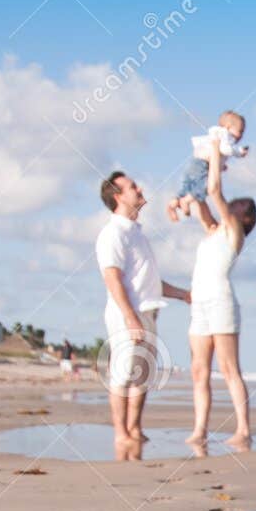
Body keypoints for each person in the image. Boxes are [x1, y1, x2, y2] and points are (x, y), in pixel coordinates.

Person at [95, 170, 190, 460]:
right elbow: (112, 277)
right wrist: (129, 316)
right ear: (118, 196)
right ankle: (121, 433)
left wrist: (184, 295)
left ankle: (135, 428)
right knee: (122, 375)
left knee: (142, 376)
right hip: (128, 315)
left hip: (148, 312)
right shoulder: (113, 233)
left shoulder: (137, 234)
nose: (139, 189)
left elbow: (150, 283)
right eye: (132, 186)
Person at [185, 141, 256, 452]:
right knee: (199, 370)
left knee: (229, 369)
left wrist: (216, 148)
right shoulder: (214, 229)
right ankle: (200, 428)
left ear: (245, 219)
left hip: (221, 301)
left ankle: (243, 429)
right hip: (199, 302)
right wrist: (203, 163)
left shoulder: (234, 232)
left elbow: (214, 192)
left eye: (242, 205)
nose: (235, 203)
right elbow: (199, 200)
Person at [166, 110, 250, 223]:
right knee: (205, 186)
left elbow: (219, 156)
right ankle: (186, 201)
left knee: (186, 187)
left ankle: (173, 205)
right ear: (228, 127)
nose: (241, 136)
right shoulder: (225, 135)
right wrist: (240, 153)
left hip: (195, 162)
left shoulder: (218, 133)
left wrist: (221, 166)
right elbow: (226, 149)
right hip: (203, 165)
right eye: (240, 131)